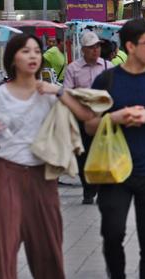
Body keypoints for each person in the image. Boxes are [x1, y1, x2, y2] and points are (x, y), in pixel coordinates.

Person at [0, 34, 94, 279]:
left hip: (43, 176)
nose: (32, 56)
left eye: (36, 52)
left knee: (48, 247)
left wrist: (57, 90)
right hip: (8, 174)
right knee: (5, 248)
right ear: (13, 58)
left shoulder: (48, 93)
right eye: (25, 51)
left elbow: (86, 115)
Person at [87, 19, 145, 279]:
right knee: (113, 234)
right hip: (113, 173)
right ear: (130, 46)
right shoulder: (106, 80)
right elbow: (90, 126)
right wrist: (114, 118)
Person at [63, 31, 112, 205]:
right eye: (91, 47)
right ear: (83, 49)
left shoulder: (108, 66)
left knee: (103, 153)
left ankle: (101, 188)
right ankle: (88, 189)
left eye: (97, 46)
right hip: (81, 117)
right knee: (83, 155)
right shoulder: (73, 68)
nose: (95, 50)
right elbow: (67, 94)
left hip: (103, 116)